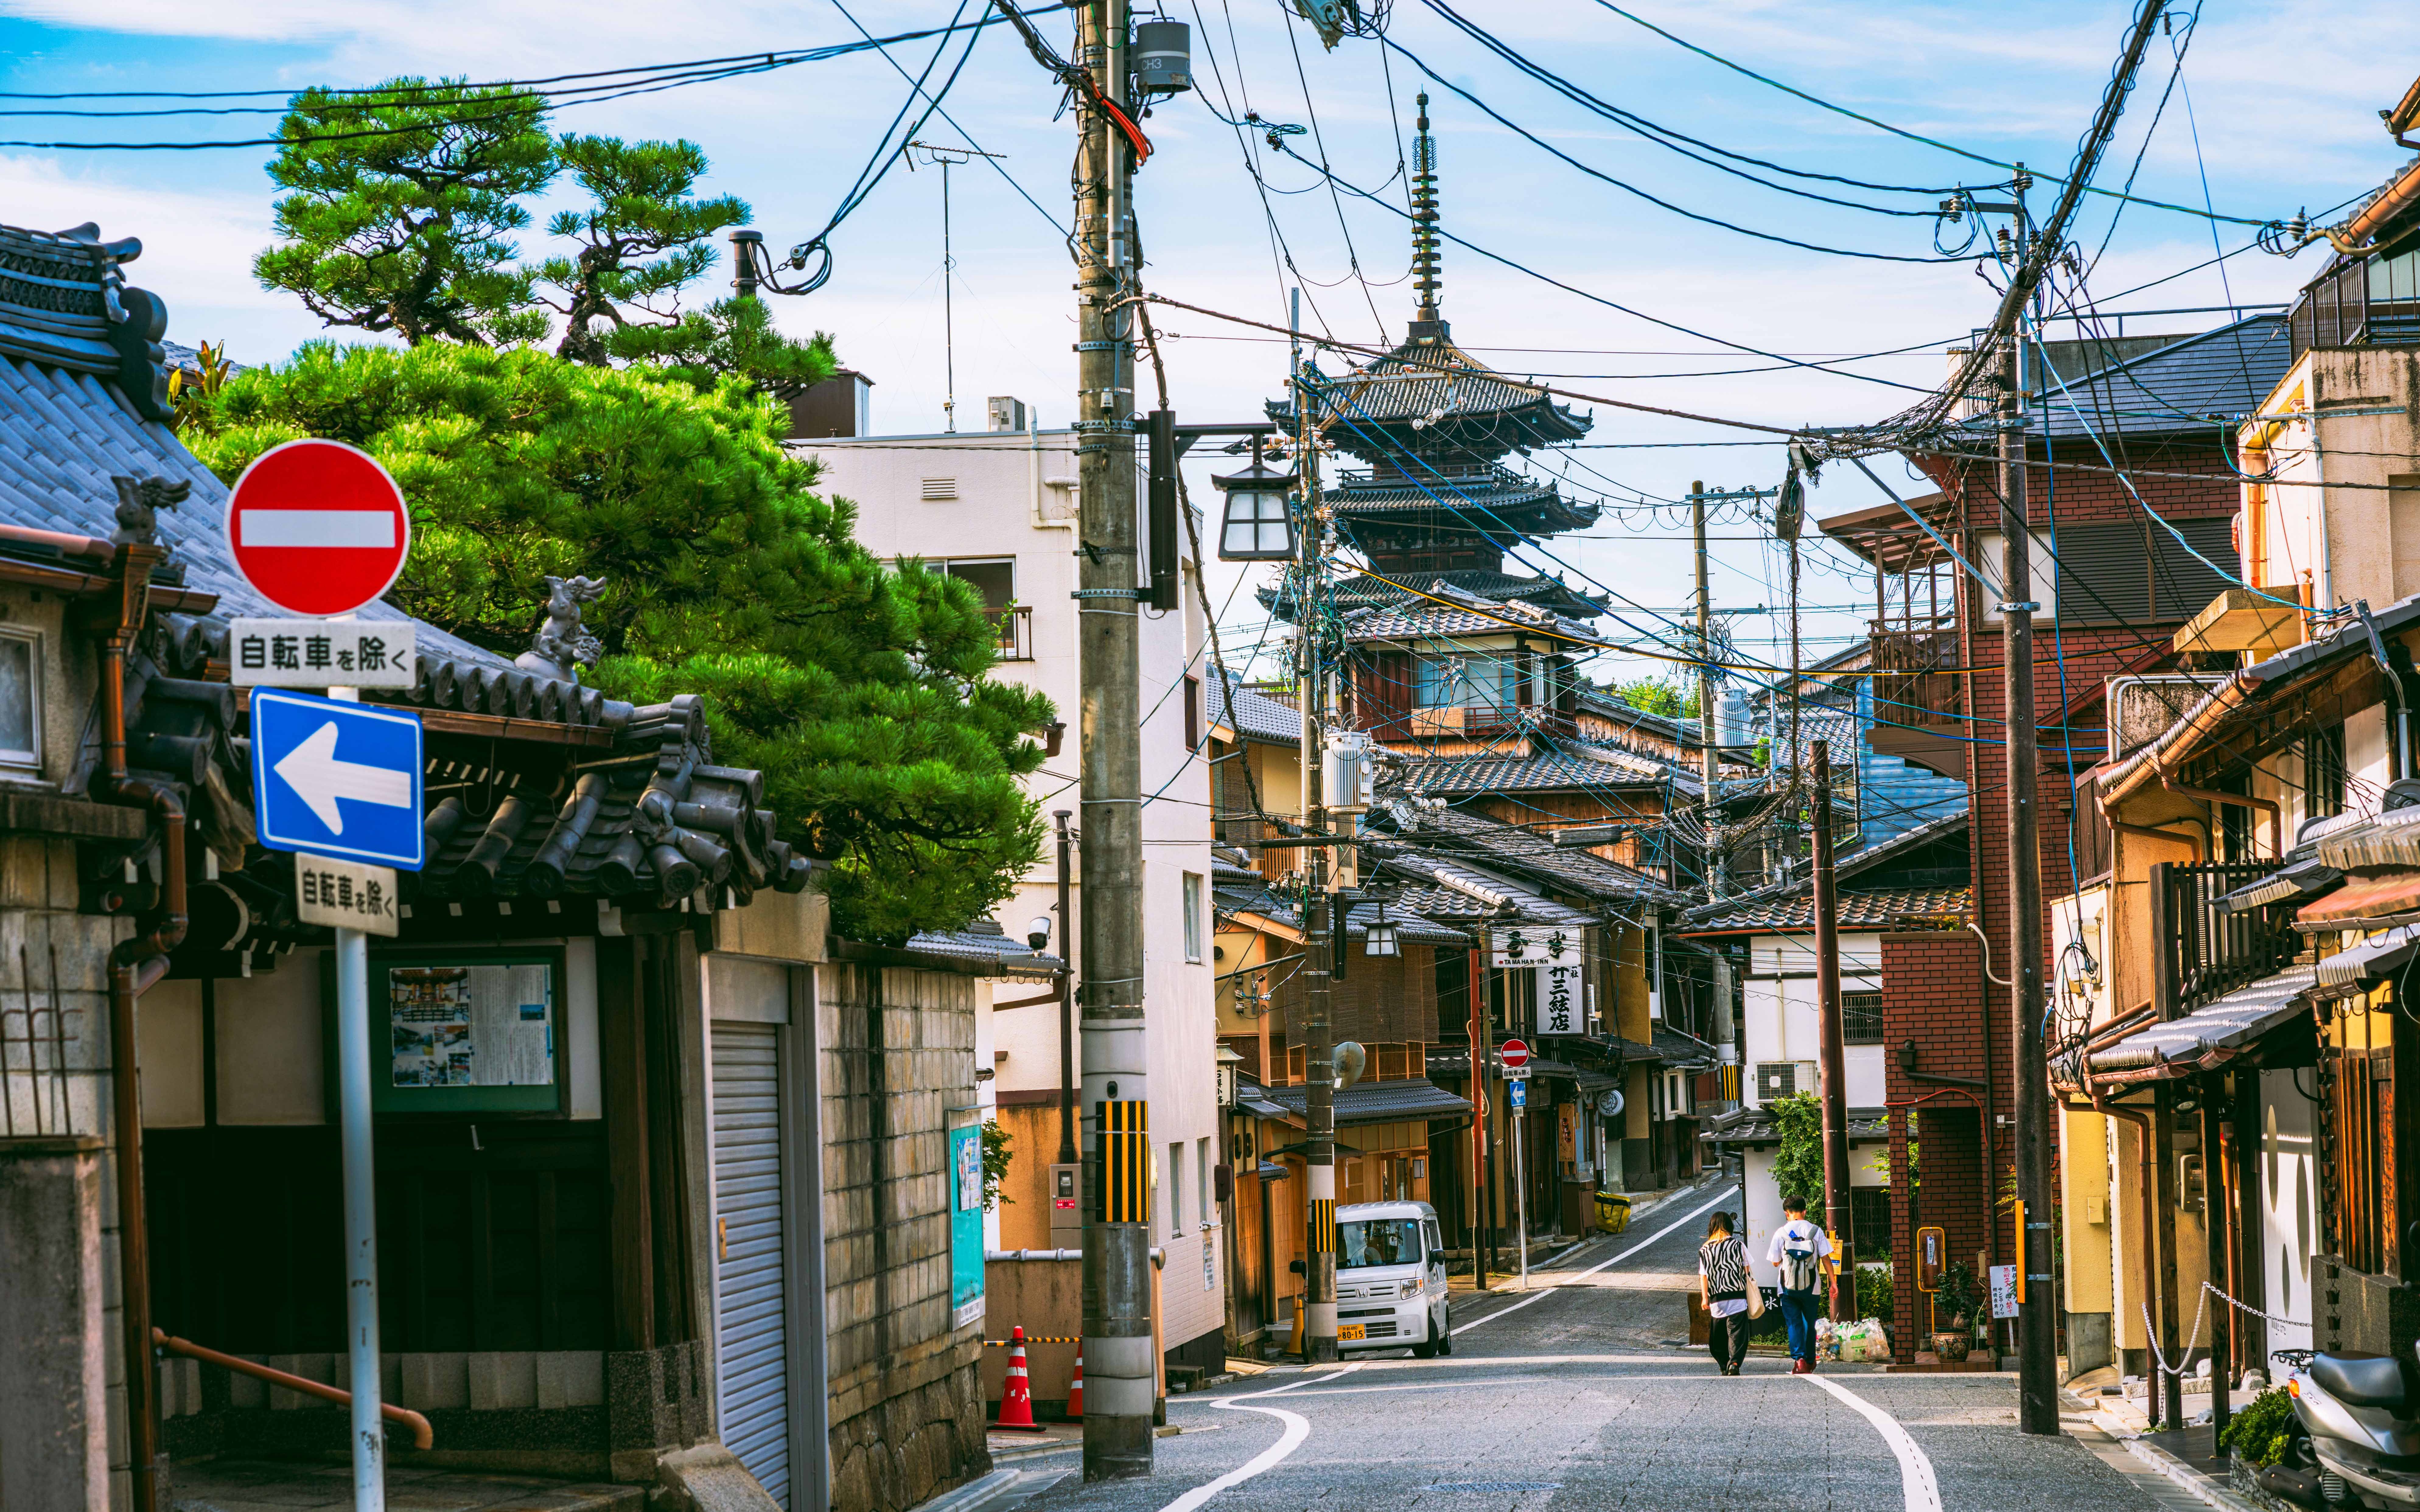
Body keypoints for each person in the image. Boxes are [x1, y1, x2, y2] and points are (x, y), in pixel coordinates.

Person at [1767, 1193, 1834, 1374]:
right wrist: (1833, 1282)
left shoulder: (1780, 1233)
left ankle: (1800, 1360)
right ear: (1805, 1211)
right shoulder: (1815, 1231)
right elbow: (1826, 1258)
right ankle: (1812, 1360)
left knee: (1794, 1323)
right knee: (1810, 1322)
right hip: (1812, 1287)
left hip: (1787, 1287)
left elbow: (1775, 1262)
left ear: (1786, 1213)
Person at [1697, 1211, 1752, 1376]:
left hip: (1717, 1299)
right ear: (1730, 1226)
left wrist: (1705, 1298)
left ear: (1711, 1227)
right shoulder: (1738, 1245)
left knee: (1718, 1335)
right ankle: (1734, 1362)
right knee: (1737, 1334)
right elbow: (1747, 1270)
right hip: (1737, 1296)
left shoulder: (1705, 1250)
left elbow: (1704, 1276)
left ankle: (1723, 1363)